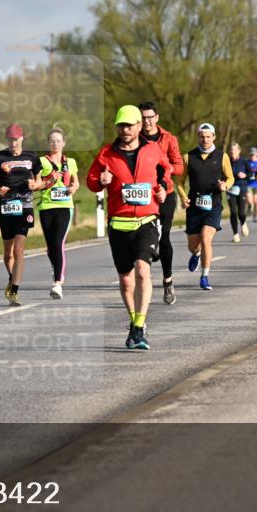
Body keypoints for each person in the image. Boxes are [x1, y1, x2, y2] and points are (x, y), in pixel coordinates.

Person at [86, 105, 169, 350]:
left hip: (147, 220)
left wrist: (163, 187)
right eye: (121, 126)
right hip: (119, 224)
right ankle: (134, 323)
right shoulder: (107, 154)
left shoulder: (153, 149)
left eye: (129, 125)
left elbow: (167, 169)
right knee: (125, 280)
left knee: (143, 270)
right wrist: (100, 181)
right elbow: (91, 181)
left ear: (139, 126)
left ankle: (140, 326)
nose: (125, 130)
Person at [0, 124, 41, 306]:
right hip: (6, 207)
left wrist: (35, 185)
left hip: (25, 206)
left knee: (18, 250)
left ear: (22, 139)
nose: (13, 143)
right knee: (8, 254)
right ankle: (12, 278)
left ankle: (14, 290)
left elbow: (40, 178)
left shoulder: (31, 157)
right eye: (10, 139)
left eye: (16, 139)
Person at [176, 123, 232, 291]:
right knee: (193, 245)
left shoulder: (222, 157)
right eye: (202, 136)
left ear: (214, 137)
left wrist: (225, 186)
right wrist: (184, 198)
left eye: (208, 136)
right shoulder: (188, 157)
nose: (205, 140)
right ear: (198, 137)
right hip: (194, 205)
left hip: (213, 205)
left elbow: (230, 178)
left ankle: (205, 276)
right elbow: (178, 181)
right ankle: (196, 254)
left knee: (206, 238)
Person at [138, 101, 184, 305]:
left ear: (157, 117)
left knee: (163, 236)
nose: (146, 121)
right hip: (142, 194)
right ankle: (141, 279)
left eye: (150, 117)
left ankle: (168, 280)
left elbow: (179, 166)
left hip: (166, 192)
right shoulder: (134, 138)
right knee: (140, 237)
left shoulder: (168, 138)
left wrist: (164, 169)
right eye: (143, 117)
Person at [34, 126, 80, 300]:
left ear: (64, 143)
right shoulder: (41, 161)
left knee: (59, 243)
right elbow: (36, 185)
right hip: (46, 207)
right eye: (52, 140)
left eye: (58, 141)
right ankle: (56, 267)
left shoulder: (71, 162)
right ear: (48, 143)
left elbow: (76, 183)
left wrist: (73, 188)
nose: (55, 143)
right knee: (50, 246)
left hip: (64, 206)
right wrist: (49, 180)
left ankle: (58, 283)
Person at [227, 143, 250, 242]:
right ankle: (235, 234)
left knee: (241, 212)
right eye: (231, 150)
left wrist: (245, 175)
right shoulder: (227, 161)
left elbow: (251, 173)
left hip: (241, 188)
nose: (233, 152)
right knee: (233, 212)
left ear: (239, 151)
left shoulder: (244, 161)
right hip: (230, 189)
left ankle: (243, 223)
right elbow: (222, 173)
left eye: (235, 150)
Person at [247, 146, 257, 222]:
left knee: (255, 201)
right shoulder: (247, 162)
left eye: (254, 154)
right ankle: (249, 207)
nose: (252, 156)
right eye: (251, 154)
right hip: (248, 184)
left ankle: (255, 215)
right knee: (249, 200)